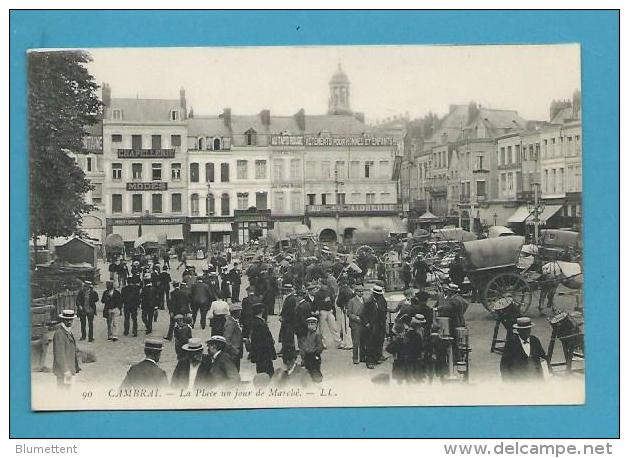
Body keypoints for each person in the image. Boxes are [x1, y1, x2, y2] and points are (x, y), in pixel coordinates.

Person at [500, 317, 548, 382]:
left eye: (528, 329)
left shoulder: (535, 340)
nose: (526, 332)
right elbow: (504, 365)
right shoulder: (511, 343)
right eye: (523, 330)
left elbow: (543, 358)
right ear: (518, 330)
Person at [361, 285, 388, 369]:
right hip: (372, 325)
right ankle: (369, 361)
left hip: (380, 324)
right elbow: (363, 314)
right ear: (374, 293)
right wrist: (366, 323)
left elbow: (384, 311)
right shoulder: (368, 302)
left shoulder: (382, 300)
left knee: (379, 341)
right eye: (377, 294)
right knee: (370, 343)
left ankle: (377, 357)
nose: (379, 295)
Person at [52, 310, 80, 389]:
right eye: (67, 320)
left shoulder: (68, 331)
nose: (69, 322)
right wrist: (66, 370)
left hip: (69, 369)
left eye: (71, 319)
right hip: (63, 371)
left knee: (68, 390)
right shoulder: (59, 333)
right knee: (63, 392)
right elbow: (59, 354)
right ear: (63, 320)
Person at [248, 303, 276, 377]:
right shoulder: (260, 324)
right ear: (262, 311)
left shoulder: (255, 322)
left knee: (261, 370)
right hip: (264, 352)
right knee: (267, 371)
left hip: (259, 353)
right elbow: (265, 339)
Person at [314, 279, 343, 349]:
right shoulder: (318, 293)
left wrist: (333, 309)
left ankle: (338, 342)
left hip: (329, 311)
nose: (323, 286)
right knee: (322, 329)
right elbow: (316, 304)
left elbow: (333, 301)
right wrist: (324, 301)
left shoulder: (329, 292)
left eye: (323, 285)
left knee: (334, 327)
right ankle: (323, 343)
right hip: (322, 311)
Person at [346, 284, 366, 364]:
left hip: (363, 323)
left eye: (362, 291)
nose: (361, 293)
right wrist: (356, 318)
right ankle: (355, 357)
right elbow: (349, 314)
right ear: (356, 292)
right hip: (355, 324)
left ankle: (362, 356)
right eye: (359, 292)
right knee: (356, 341)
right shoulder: (352, 301)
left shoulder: (365, 300)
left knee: (363, 341)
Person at [302, 316, 325, 382]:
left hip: (314, 355)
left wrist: (315, 352)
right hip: (308, 355)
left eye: (312, 324)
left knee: (315, 371)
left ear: (316, 325)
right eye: (309, 324)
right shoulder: (308, 334)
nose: (310, 326)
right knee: (308, 371)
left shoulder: (317, 335)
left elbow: (320, 346)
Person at [294, 287, 314, 362]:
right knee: (306, 344)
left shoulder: (299, 307)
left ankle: (304, 360)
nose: (296, 298)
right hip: (306, 328)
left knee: (302, 346)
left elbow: (301, 320)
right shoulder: (307, 304)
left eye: (297, 296)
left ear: (300, 296)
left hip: (301, 329)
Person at [223, 303, 244, 372]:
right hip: (233, 352)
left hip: (235, 351)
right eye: (239, 311)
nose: (241, 313)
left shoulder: (233, 321)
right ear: (236, 313)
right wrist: (234, 350)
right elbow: (226, 338)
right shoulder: (230, 323)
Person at [278, 284, 298, 355]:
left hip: (288, 321)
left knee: (287, 336)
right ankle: (284, 349)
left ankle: (287, 350)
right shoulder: (289, 298)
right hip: (287, 320)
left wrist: (284, 318)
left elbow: (290, 312)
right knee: (285, 335)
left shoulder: (291, 299)